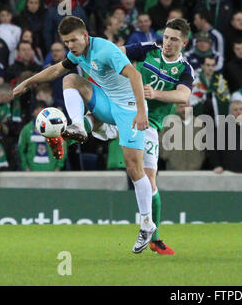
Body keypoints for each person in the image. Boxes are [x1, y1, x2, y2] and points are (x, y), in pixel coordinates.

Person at [12, 16, 154, 255]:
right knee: (70, 78)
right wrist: (29, 82)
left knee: (133, 168)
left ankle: (147, 223)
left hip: (129, 110)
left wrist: (141, 112)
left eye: (73, 40)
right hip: (107, 103)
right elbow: (57, 69)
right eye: (66, 42)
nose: (70, 46)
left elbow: (136, 76)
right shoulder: (77, 53)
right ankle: (79, 124)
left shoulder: (106, 50)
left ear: (85, 36)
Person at [122, 18, 194, 254]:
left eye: (174, 39)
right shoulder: (147, 49)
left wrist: (155, 94)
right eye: (166, 37)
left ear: (184, 42)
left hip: (150, 124)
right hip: (126, 110)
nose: (168, 43)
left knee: (150, 182)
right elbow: (117, 53)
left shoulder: (185, 69)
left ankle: (154, 237)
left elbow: (183, 97)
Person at [18, 101, 66, 172]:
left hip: (52, 170)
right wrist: (25, 167)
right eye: (37, 109)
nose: (39, 112)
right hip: (32, 170)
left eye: (42, 109)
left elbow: (62, 147)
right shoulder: (27, 129)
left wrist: (58, 167)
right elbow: (21, 149)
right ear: (32, 112)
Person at [159, 102, 207, 170]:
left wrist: (201, 158)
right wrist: (167, 156)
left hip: (196, 167)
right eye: (181, 106)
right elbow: (161, 141)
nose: (184, 109)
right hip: (174, 167)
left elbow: (205, 143)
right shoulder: (169, 123)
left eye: (186, 106)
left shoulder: (199, 123)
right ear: (177, 108)